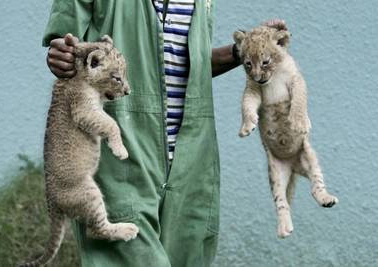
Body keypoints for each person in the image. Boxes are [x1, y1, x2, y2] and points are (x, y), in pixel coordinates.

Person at [43, 1, 285, 266]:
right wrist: (62, 54)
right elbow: (67, 47)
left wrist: (246, 50)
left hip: (191, 160)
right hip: (123, 156)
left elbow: (188, 64)